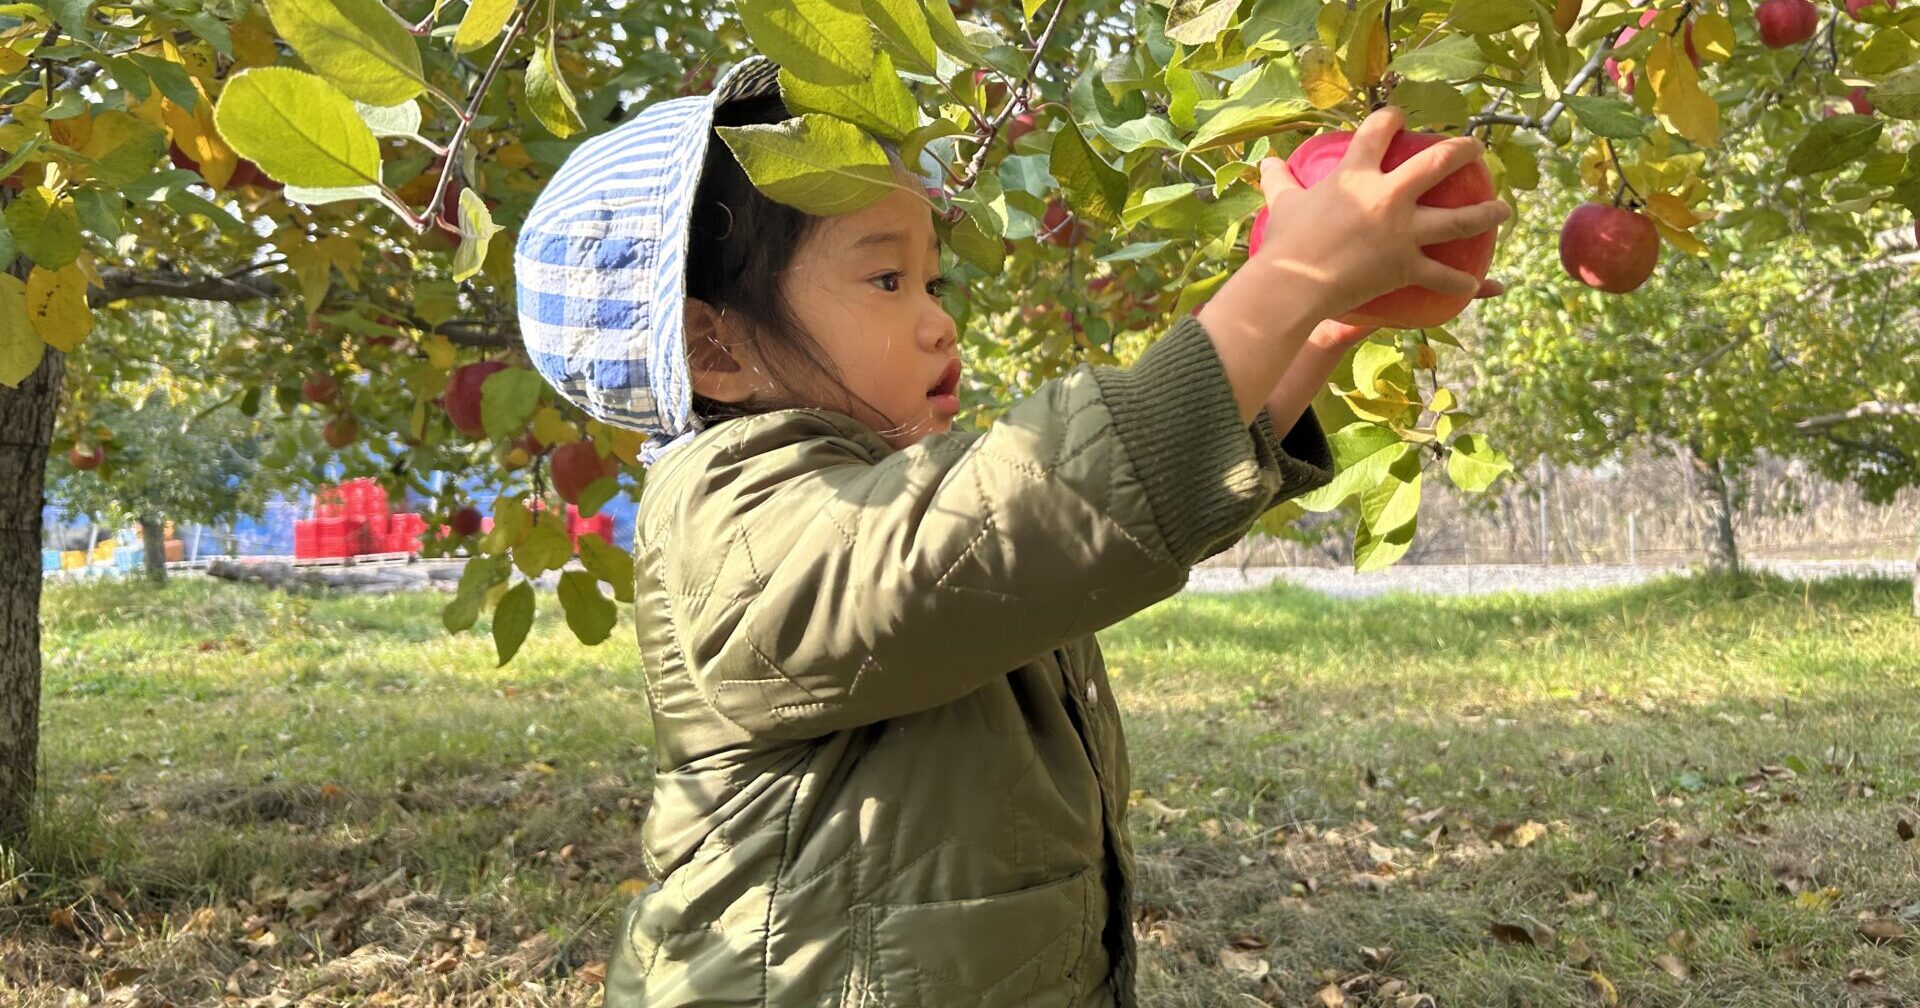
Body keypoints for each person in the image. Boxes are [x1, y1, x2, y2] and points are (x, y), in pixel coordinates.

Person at [515, 55, 1509, 1008]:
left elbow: (1065, 534)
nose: (940, 322)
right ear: (716, 348)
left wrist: (1319, 325)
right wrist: (1287, 279)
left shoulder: (887, 494)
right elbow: (1020, 517)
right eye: (887, 281)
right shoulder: (730, 518)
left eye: (933, 283)